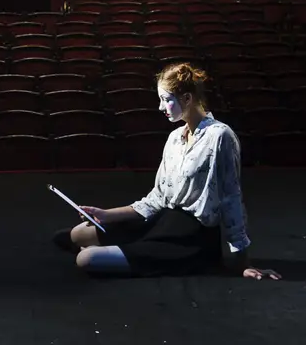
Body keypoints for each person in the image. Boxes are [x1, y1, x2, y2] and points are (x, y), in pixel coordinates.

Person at [53, 63, 281, 280]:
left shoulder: (220, 136)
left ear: (188, 99)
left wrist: (243, 262)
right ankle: (115, 246)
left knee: (86, 258)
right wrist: (107, 214)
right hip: (163, 220)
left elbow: (231, 198)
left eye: (166, 100)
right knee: (77, 234)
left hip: (190, 236)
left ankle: (116, 251)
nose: (161, 107)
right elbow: (157, 197)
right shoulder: (174, 138)